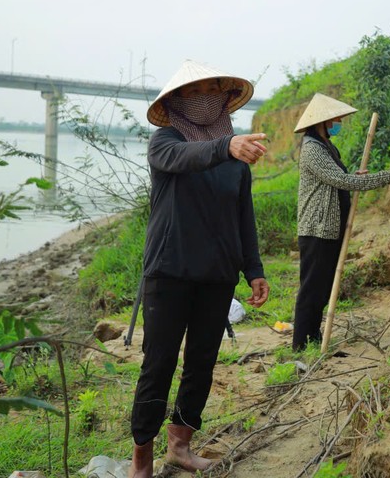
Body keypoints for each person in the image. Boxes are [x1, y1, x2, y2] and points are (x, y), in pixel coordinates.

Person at [128, 60, 271, 477]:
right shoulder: (165, 141)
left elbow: (243, 217)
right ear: (175, 101)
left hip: (217, 276)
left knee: (201, 363)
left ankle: (180, 446)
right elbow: (184, 157)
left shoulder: (236, 156)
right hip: (169, 273)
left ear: (226, 98)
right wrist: (225, 147)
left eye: (213, 89)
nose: (206, 98)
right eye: (195, 91)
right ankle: (141, 463)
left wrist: (254, 269)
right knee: (158, 365)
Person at [291, 93, 390, 352]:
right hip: (317, 228)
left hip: (331, 228)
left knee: (323, 289)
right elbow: (341, 182)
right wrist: (383, 177)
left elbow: (337, 178)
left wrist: (354, 176)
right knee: (312, 289)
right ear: (323, 121)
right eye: (336, 119)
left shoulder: (327, 147)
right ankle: (301, 345)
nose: (339, 122)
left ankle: (314, 339)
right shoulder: (312, 148)